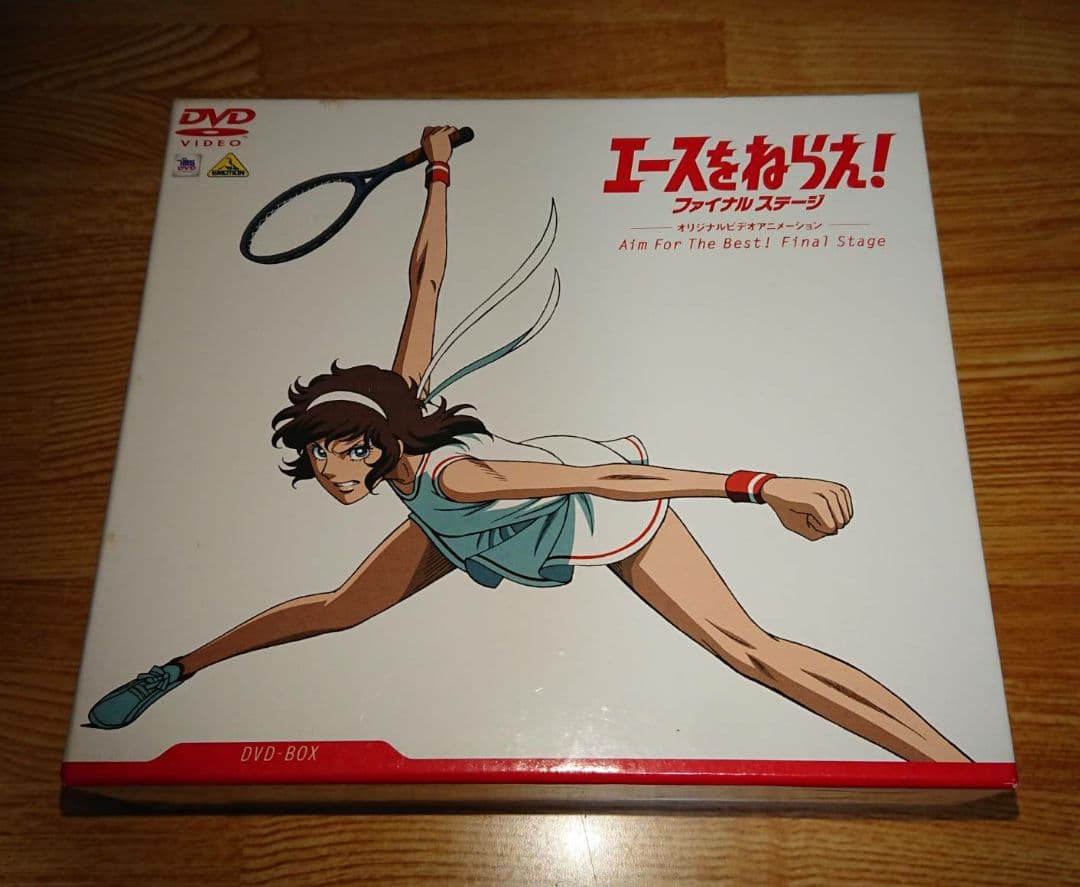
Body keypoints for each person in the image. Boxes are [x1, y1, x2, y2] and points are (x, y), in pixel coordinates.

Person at [88, 126, 969, 763]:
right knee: (338, 606)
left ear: (376, 439)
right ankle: (173, 670)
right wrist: (439, 170)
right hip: (470, 531)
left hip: (590, 514)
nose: (330, 471)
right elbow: (426, 280)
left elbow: (612, 478)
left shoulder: (459, 477)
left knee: (751, 653)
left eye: (342, 452)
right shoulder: (399, 401)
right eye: (320, 457)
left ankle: (944, 759)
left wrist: (761, 483)